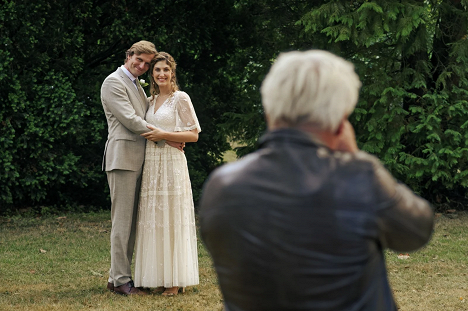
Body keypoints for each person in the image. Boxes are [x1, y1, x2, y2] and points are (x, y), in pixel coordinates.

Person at [199, 50, 434, 310]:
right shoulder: (360, 177)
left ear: (269, 108)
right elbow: (416, 232)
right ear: (340, 121)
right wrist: (356, 158)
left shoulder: (220, 185)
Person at [101, 41, 182, 296]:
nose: (142, 65)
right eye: (139, 60)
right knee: (122, 223)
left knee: (132, 223)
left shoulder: (136, 84)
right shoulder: (113, 82)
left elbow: (148, 112)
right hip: (123, 158)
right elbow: (132, 120)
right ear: (129, 55)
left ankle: (117, 278)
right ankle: (121, 281)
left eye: (147, 63)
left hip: (139, 159)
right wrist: (166, 137)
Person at [134, 52, 201, 296]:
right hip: (152, 165)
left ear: (172, 72)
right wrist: (162, 137)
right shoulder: (149, 102)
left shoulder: (180, 98)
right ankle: (160, 276)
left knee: (173, 216)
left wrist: (166, 136)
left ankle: (175, 280)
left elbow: (193, 134)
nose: (161, 74)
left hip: (172, 163)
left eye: (165, 70)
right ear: (152, 74)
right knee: (156, 218)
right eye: (157, 70)